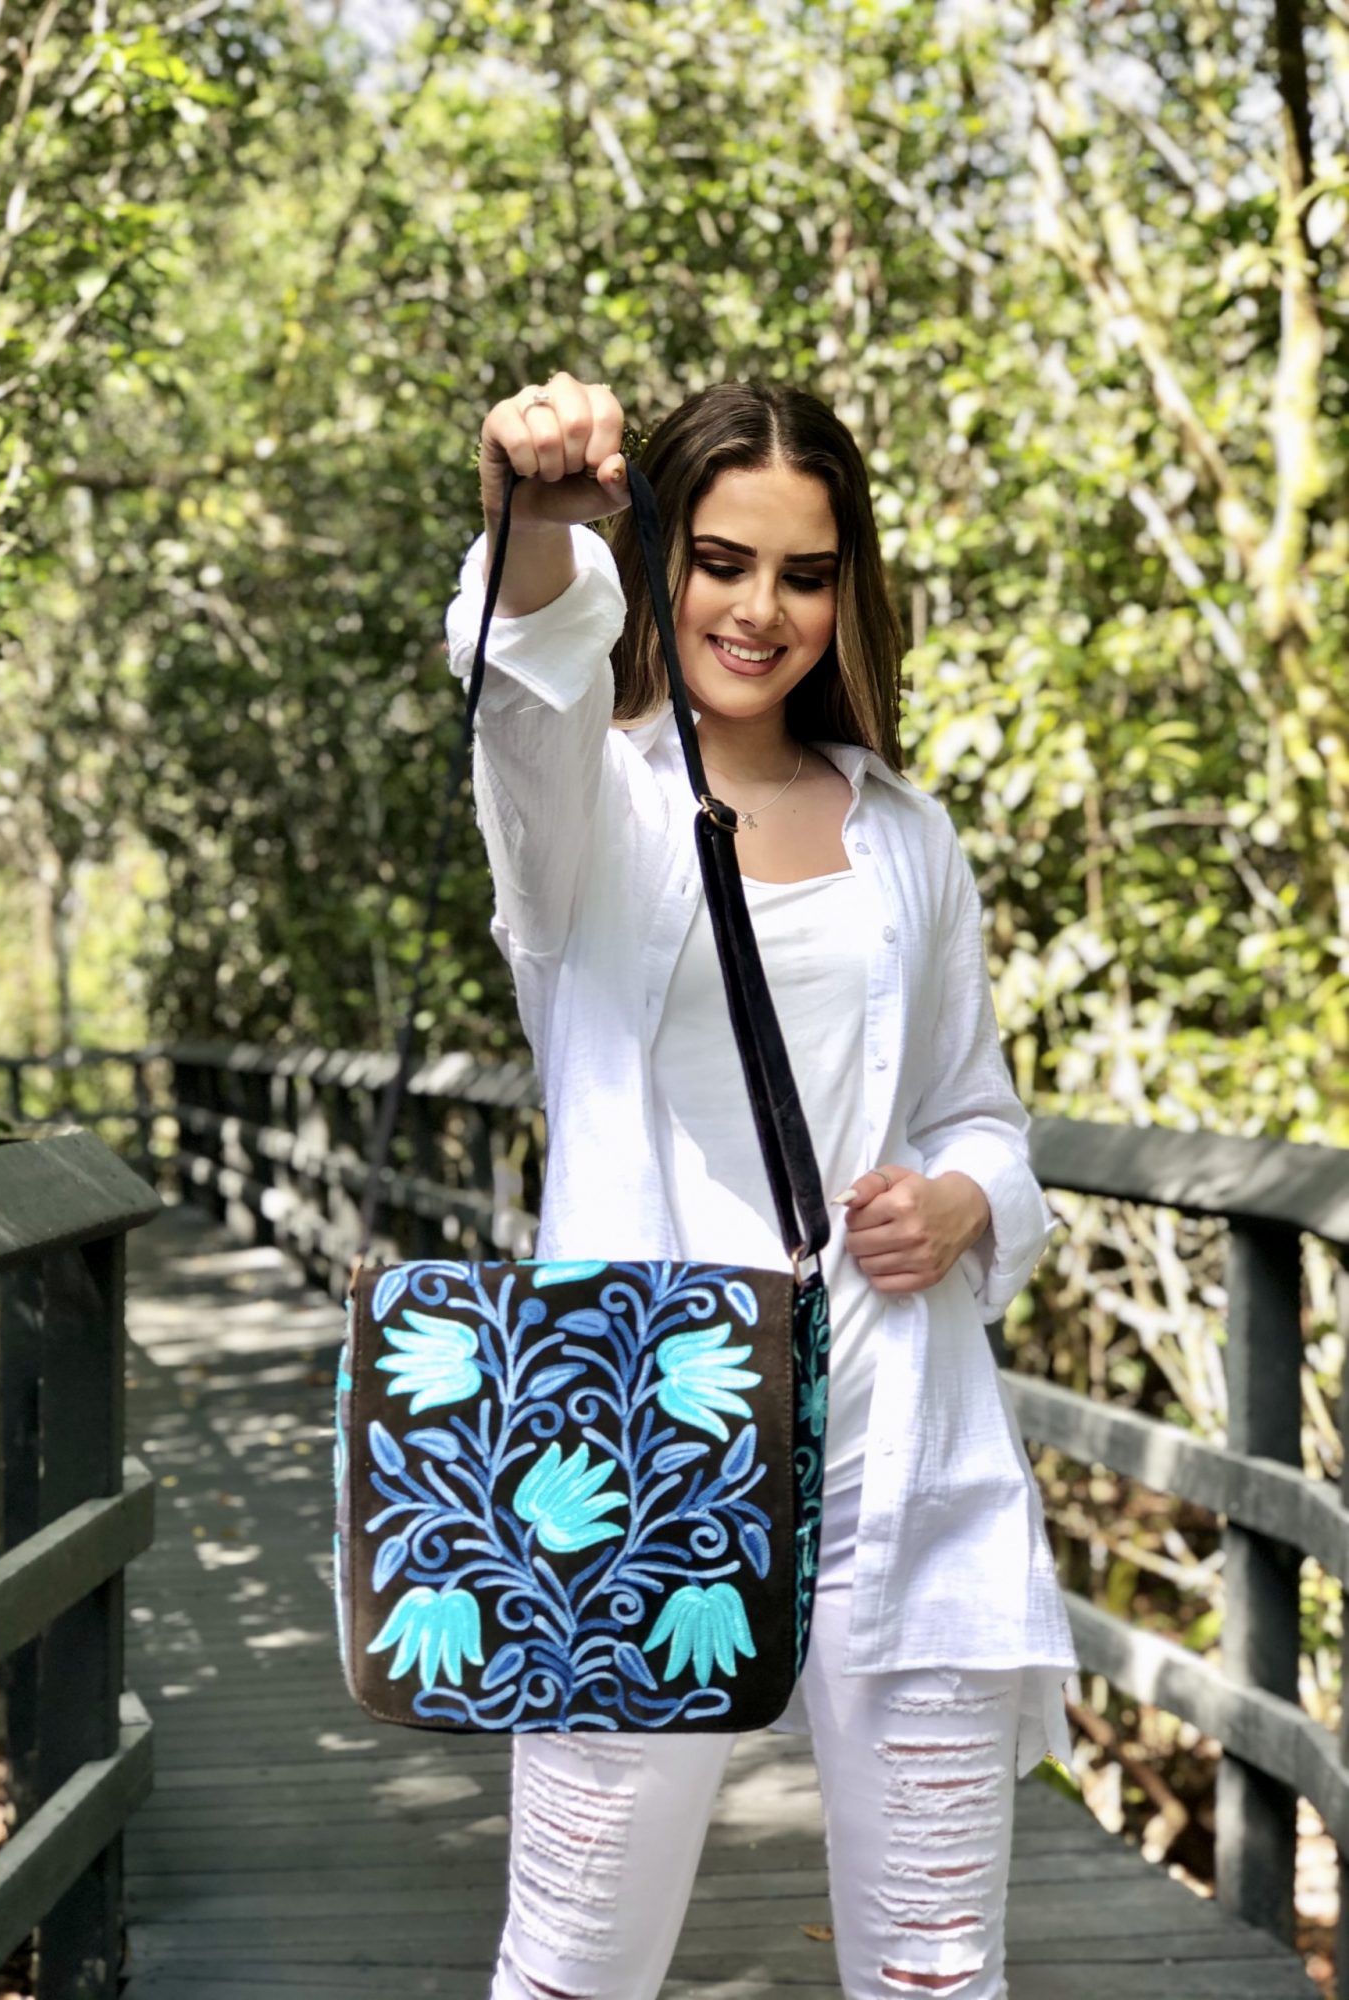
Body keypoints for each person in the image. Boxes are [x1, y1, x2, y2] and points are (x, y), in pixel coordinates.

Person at [442, 370, 1078, 2000]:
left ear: (845, 592)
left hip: (898, 1456)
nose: (760, 610)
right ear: (659, 561)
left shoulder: (910, 837)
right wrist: (530, 518)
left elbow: (979, 1114)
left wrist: (962, 1202)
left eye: (804, 574)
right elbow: (524, 684)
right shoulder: (591, 809)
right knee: (571, 1970)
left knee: (939, 1977)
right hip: (630, 1459)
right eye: (721, 561)